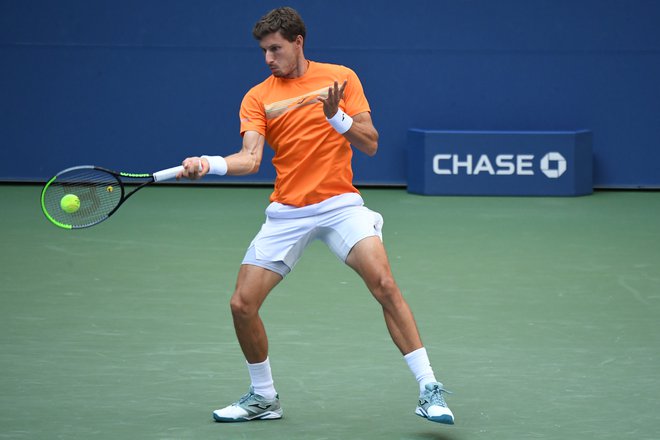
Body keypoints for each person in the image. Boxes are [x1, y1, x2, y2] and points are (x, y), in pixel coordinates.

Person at [178, 6, 454, 425]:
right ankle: (264, 397)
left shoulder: (341, 77)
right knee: (241, 304)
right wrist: (208, 163)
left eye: (275, 49)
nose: (268, 58)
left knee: (383, 282)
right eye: (264, 51)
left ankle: (429, 389)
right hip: (288, 211)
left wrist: (336, 117)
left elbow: (371, 144)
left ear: (298, 42)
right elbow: (250, 159)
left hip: (340, 204)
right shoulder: (257, 97)